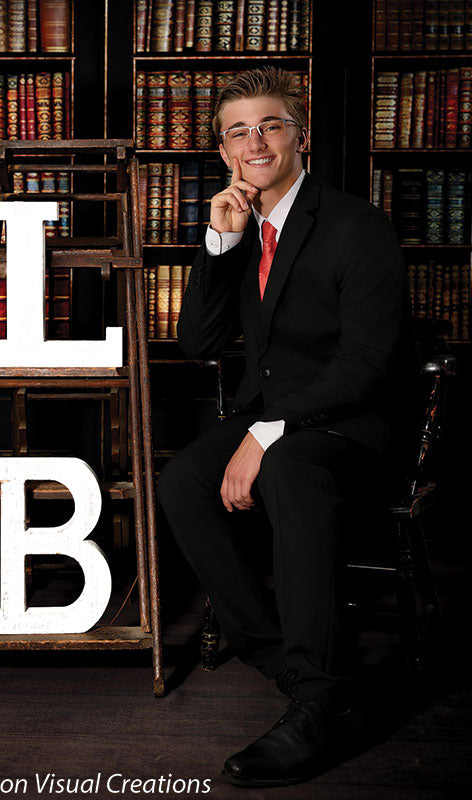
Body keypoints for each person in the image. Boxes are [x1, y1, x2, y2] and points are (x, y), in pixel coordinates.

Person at [157, 66, 418, 788]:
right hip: (270, 422)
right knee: (181, 481)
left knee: (293, 472)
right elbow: (197, 344)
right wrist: (217, 244)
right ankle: (295, 669)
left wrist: (266, 433)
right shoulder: (240, 227)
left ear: (300, 137)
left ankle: (317, 695)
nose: (255, 141)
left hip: (352, 427)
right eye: (238, 132)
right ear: (223, 153)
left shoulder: (354, 224)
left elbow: (368, 362)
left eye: (270, 125)